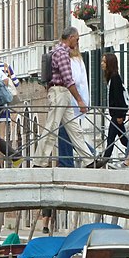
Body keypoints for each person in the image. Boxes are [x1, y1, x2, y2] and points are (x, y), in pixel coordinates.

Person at [32, 27, 95, 168]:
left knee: (73, 128)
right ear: (71, 37)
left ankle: (89, 160)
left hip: (60, 92)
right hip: (60, 92)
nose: (77, 43)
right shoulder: (62, 54)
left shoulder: (57, 51)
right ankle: (39, 162)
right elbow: (68, 79)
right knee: (52, 126)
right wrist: (79, 100)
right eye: (77, 39)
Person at [57, 44, 94, 168]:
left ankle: (67, 162)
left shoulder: (73, 61)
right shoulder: (78, 60)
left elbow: (74, 80)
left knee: (66, 131)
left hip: (72, 100)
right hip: (75, 100)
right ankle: (88, 156)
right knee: (69, 131)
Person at [0, 42, 20, 144]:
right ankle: (1, 160)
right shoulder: (6, 66)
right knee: (1, 137)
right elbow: (16, 83)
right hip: (3, 105)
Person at [101, 53, 129, 162]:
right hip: (116, 114)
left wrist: (120, 115)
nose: (102, 64)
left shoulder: (115, 77)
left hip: (117, 115)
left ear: (109, 63)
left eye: (104, 61)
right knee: (123, 140)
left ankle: (105, 159)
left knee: (111, 138)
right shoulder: (112, 77)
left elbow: (118, 98)